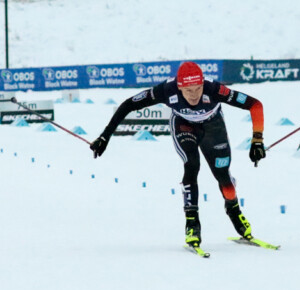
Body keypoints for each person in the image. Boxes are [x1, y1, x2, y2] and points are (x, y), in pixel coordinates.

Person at [89, 62, 267, 251]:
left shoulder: (214, 89)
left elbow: (255, 105)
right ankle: (192, 224)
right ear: (179, 86)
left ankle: (233, 209)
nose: (194, 95)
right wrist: (104, 137)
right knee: (192, 165)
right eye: (188, 90)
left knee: (223, 176)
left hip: (213, 126)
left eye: (198, 89)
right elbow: (128, 105)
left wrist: (257, 140)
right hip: (184, 125)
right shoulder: (166, 89)